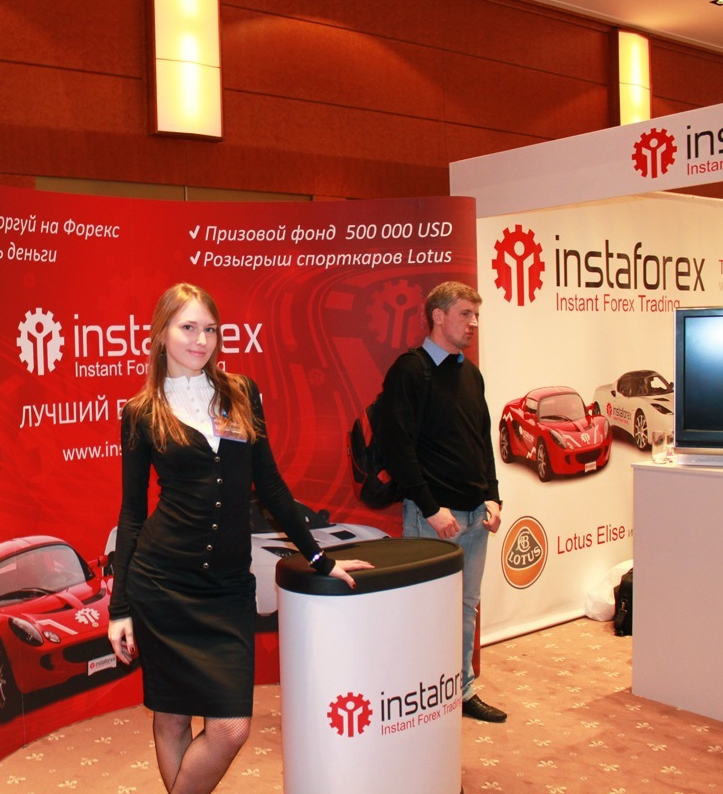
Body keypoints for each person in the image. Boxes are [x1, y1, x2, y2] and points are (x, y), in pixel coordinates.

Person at [107, 282, 372, 794]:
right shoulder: (141, 412)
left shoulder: (240, 393)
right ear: (161, 334)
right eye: (188, 327)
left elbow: (270, 485)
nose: (201, 340)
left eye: (210, 329)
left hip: (227, 590)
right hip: (162, 584)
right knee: (172, 715)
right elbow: (132, 512)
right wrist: (120, 608)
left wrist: (320, 558)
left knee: (230, 729)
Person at [375, 280, 507, 723]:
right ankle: (420, 698)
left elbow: (482, 440)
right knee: (426, 613)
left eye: (476, 315)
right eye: (465, 314)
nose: (473, 324)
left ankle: (460, 691)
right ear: (438, 316)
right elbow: (397, 449)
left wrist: (492, 497)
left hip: (476, 516)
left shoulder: (471, 374)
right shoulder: (410, 371)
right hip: (432, 518)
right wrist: (431, 509)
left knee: (465, 609)